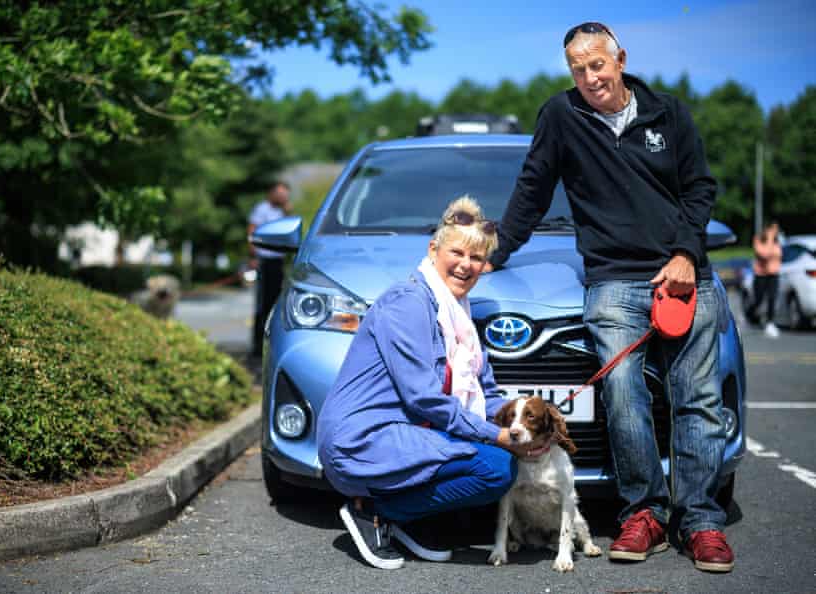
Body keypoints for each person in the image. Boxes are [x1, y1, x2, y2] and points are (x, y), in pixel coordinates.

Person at [485, 22, 734, 573]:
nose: (590, 77)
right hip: (613, 280)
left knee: (698, 401)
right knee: (622, 392)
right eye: (578, 68)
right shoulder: (561, 116)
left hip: (683, 277)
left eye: (597, 64)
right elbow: (532, 190)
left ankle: (700, 522)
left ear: (620, 59)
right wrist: (491, 254)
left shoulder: (668, 114)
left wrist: (687, 254)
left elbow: (699, 189)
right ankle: (642, 513)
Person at [317, 196, 538, 570]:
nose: (467, 266)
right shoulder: (408, 303)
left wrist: (519, 429)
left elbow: (486, 388)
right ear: (433, 249)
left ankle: (404, 519)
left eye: (477, 258)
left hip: (407, 434)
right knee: (495, 468)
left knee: (499, 458)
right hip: (363, 440)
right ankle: (377, 512)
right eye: (458, 253)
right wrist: (494, 437)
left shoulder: (461, 317)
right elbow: (424, 399)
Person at [248, 181, 292, 361]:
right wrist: (253, 256)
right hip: (265, 261)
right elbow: (252, 231)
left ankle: (272, 343)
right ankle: (257, 347)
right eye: (280, 194)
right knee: (263, 304)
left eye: (286, 194)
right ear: (271, 193)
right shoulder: (262, 209)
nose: (283, 197)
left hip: (278, 260)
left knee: (277, 304)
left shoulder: (283, 212)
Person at [746, 221, 783, 338]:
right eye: (774, 229)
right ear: (767, 229)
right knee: (759, 300)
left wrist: (773, 239)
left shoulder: (777, 241)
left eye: (777, 230)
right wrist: (770, 238)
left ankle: (770, 323)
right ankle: (749, 315)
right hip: (761, 275)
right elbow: (765, 254)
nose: (776, 232)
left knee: (772, 298)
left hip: (773, 274)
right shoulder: (759, 239)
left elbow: (779, 255)